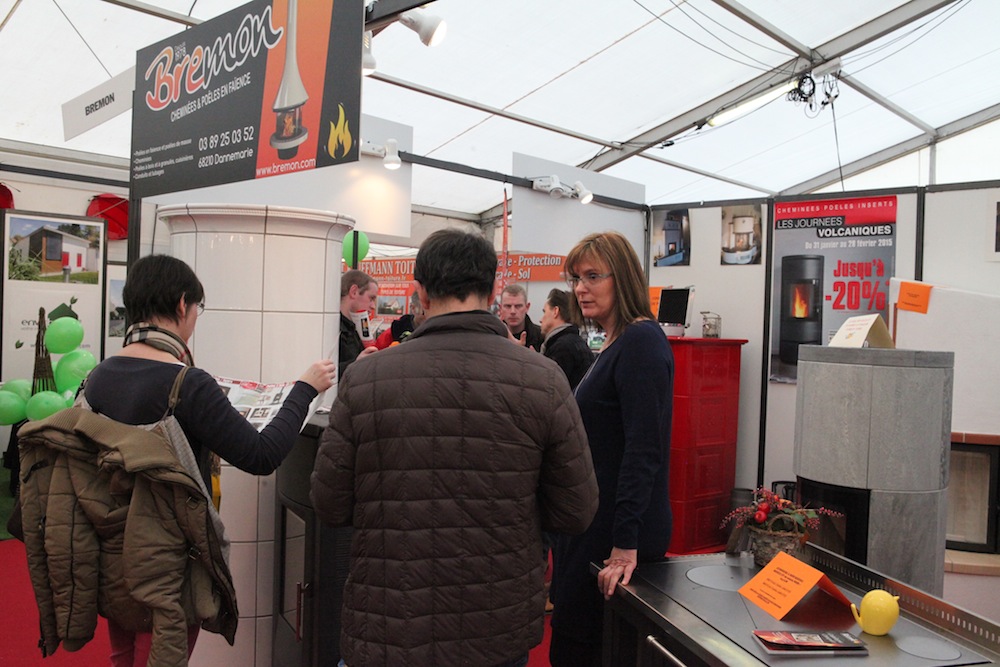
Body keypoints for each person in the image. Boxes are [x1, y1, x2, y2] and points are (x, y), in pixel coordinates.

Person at [311, 229, 599, 667]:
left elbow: (328, 502)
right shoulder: (542, 379)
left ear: (422, 293)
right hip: (496, 625)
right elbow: (576, 509)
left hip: (389, 621)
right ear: (492, 293)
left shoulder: (366, 378)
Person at [81, 254, 336, 667]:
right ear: (183, 304)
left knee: (124, 654)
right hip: (168, 557)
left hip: (109, 543)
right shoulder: (188, 384)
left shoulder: (99, 375)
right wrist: (304, 389)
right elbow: (262, 455)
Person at [549, 231, 674, 667]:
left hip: (614, 533)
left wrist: (624, 543)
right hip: (593, 523)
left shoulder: (641, 342)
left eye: (592, 276)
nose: (580, 289)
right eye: (575, 279)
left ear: (621, 277)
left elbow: (643, 450)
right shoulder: (616, 341)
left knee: (586, 647)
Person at [539, 288, 595, 391]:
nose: (540, 320)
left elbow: (548, 389)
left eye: (544, 312)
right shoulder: (575, 342)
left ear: (555, 311)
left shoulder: (561, 348)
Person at [339, 269, 379, 375]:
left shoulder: (354, 329)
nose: (373, 306)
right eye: (371, 298)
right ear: (354, 292)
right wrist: (357, 363)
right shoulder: (331, 328)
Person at [499, 283, 544, 350]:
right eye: (508, 306)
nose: (513, 311)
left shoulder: (542, 337)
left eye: (518, 306)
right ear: (500, 308)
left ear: (527, 307)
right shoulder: (493, 336)